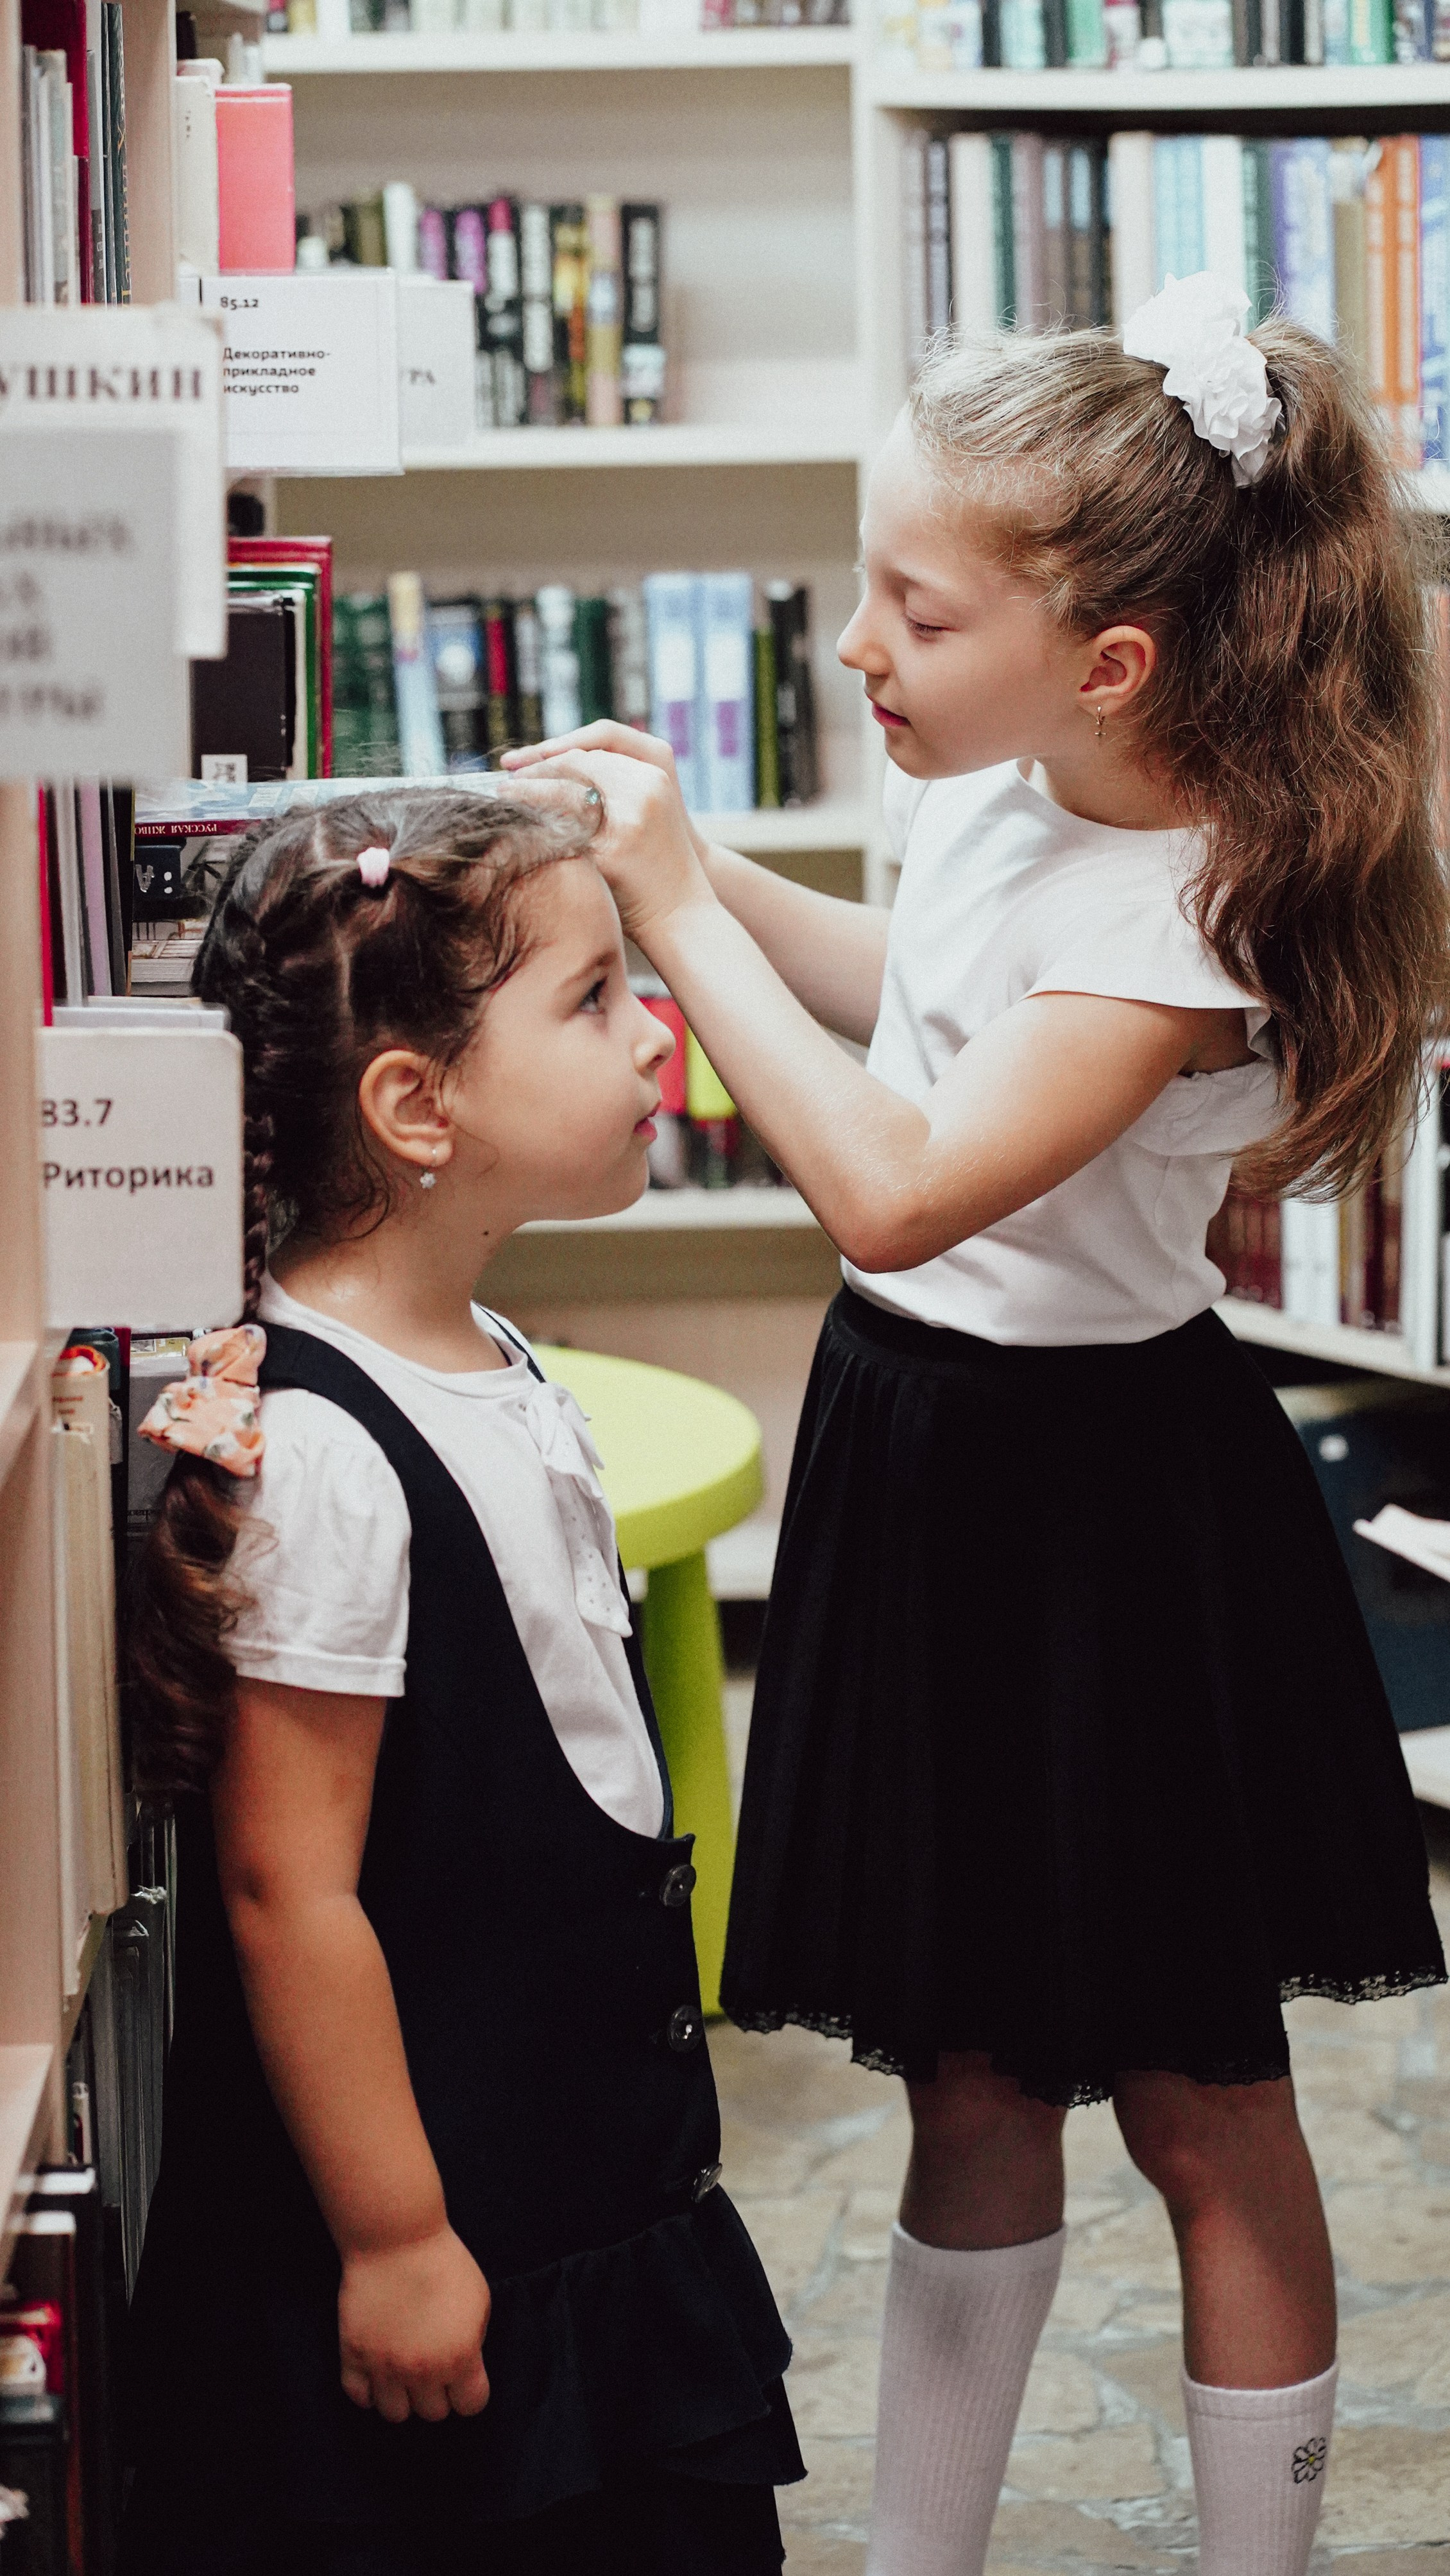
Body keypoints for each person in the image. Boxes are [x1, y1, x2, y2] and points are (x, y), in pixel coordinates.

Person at [501, 275, 1450, 2576]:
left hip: (1105, 1518)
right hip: (922, 1460)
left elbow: (897, 1179)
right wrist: (688, 861)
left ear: (1106, 658)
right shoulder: (1020, 797)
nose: (855, 645)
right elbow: (906, 993)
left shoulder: (1184, 903)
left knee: (1203, 2102)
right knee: (968, 2066)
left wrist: (668, 923)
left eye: (909, 610)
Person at [119, 785, 803, 2576]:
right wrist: (400, 2237)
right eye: (589, 998)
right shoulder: (329, 1454)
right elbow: (289, 1886)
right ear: (416, 1107)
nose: (652, 1027)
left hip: (585, 2193)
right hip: (456, 2231)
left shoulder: (484, 1353)